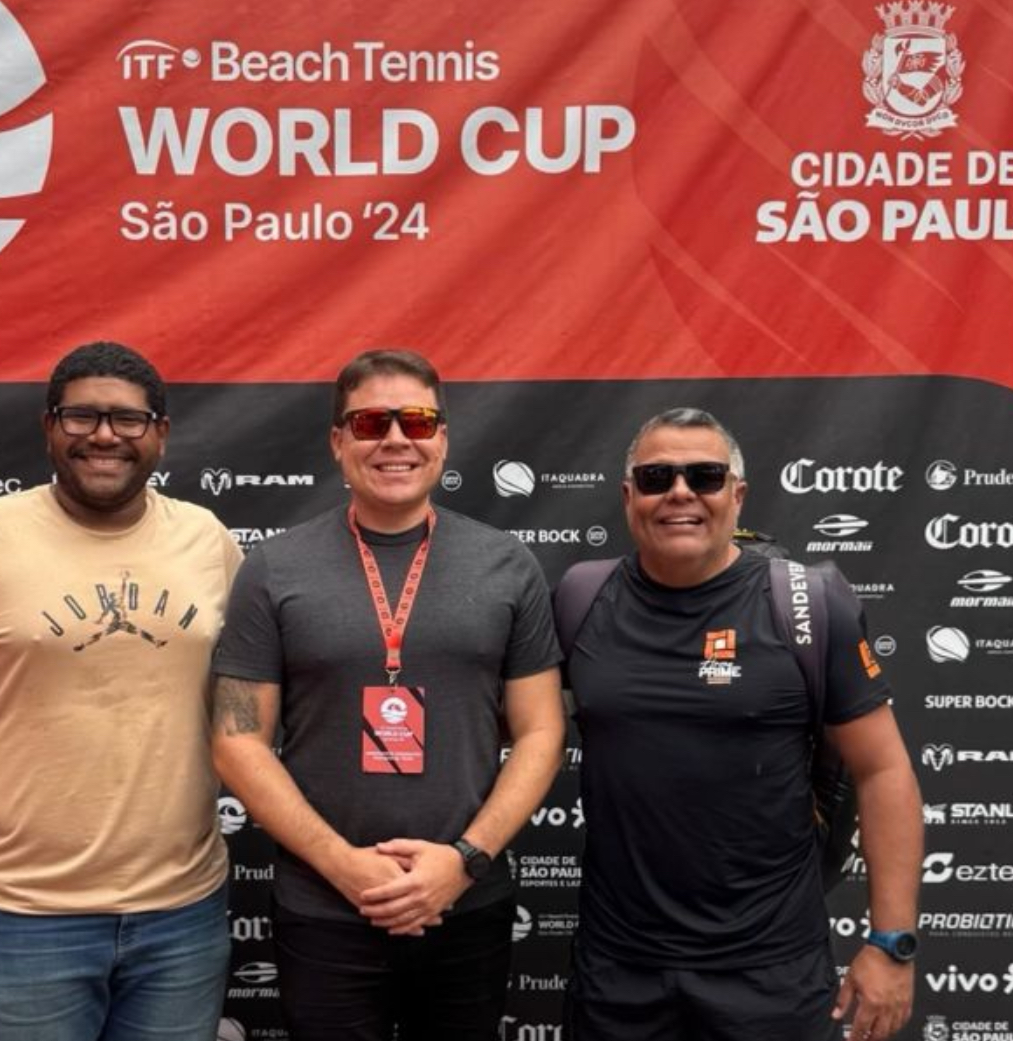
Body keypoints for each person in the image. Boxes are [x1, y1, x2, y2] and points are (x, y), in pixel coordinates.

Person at [0, 341, 243, 1041]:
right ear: (50, 427)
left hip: (183, 908)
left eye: (128, 418)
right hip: (18, 913)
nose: (105, 435)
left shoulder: (208, 540)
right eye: (81, 415)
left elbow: (241, 692)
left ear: (162, 432)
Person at [211, 349, 565, 1041]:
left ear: (443, 439)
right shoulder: (272, 568)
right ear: (339, 440)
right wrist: (344, 866)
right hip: (324, 906)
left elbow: (542, 732)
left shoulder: (507, 565)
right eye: (371, 421)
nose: (396, 438)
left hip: (466, 901)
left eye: (418, 420)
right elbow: (235, 736)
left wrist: (462, 860)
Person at [563, 407, 923, 1041]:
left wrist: (891, 943)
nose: (680, 492)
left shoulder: (809, 603)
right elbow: (519, 730)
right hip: (619, 968)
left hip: (770, 971)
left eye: (704, 475)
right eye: (656, 477)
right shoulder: (581, 598)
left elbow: (883, 769)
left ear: (737, 493)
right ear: (628, 496)